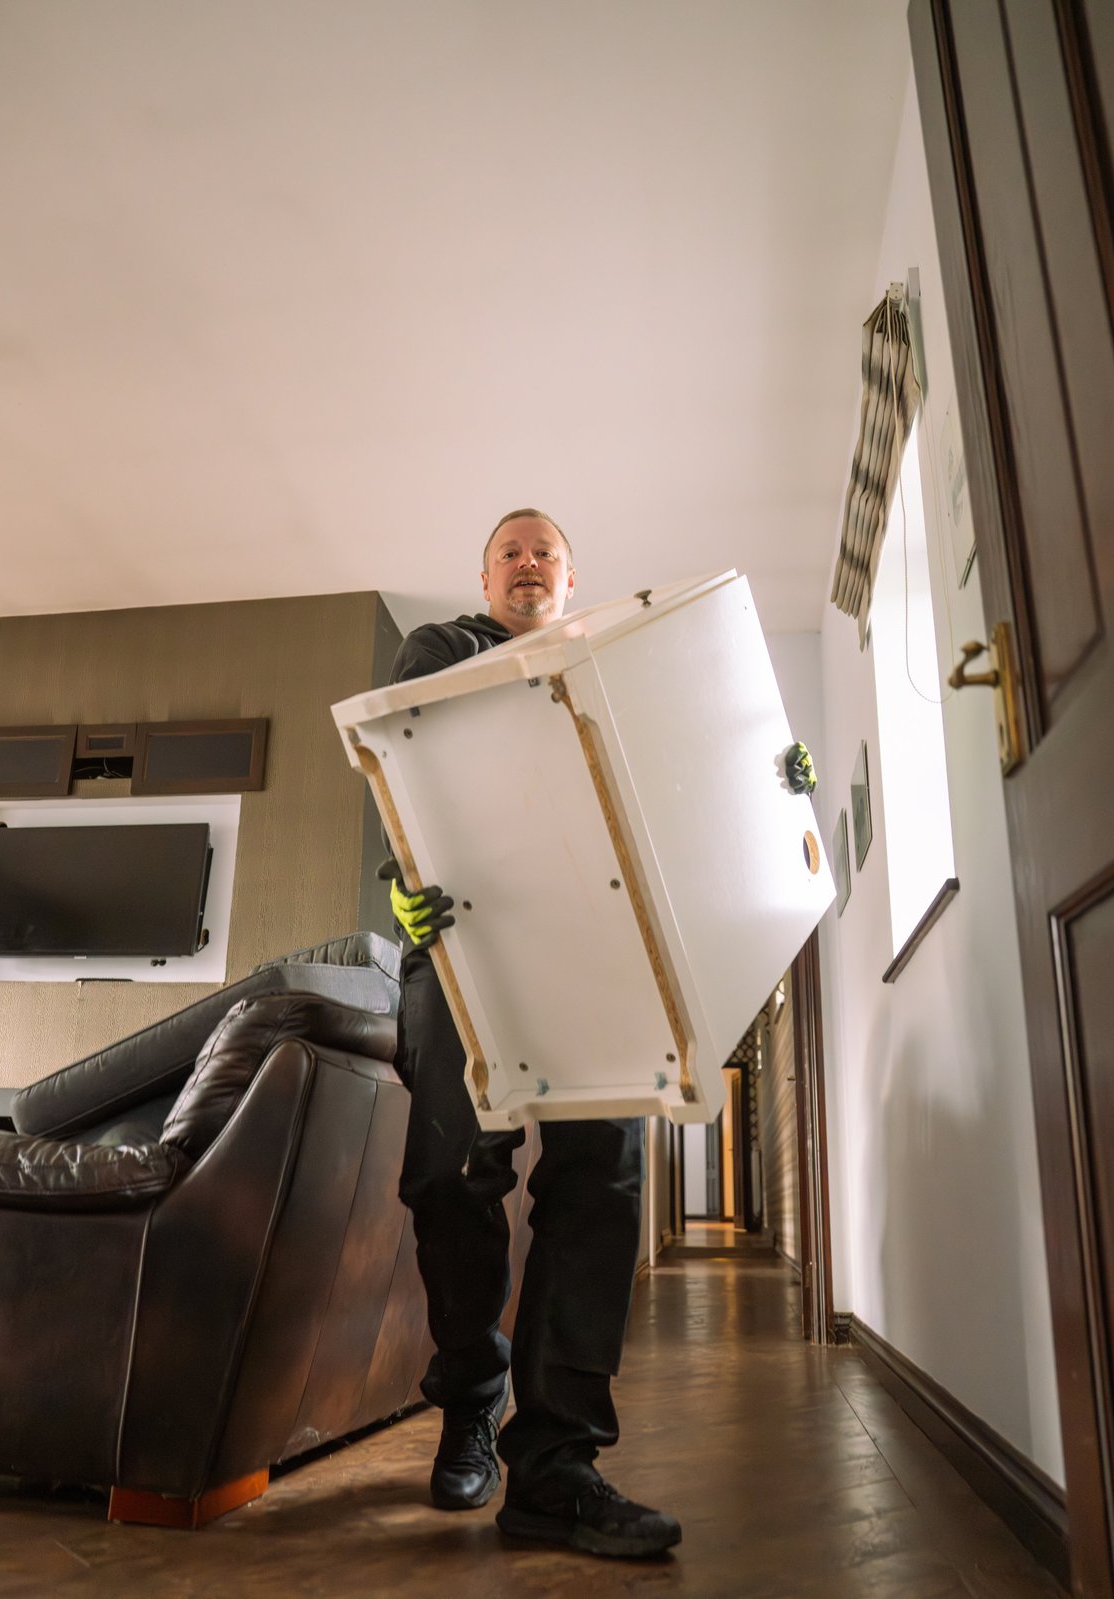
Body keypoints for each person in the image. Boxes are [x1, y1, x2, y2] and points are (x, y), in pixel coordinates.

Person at [378, 509, 683, 1560]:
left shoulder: (613, 678)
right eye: (509, 550)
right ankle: (470, 1390)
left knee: (599, 1181)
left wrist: (776, 784)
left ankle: (556, 1464)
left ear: (569, 577)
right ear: (484, 575)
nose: (527, 562)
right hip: (464, 953)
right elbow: (409, 766)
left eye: (544, 551)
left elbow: (678, 790)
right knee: (456, 1178)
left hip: (596, 958)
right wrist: (405, 878)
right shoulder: (448, 650)